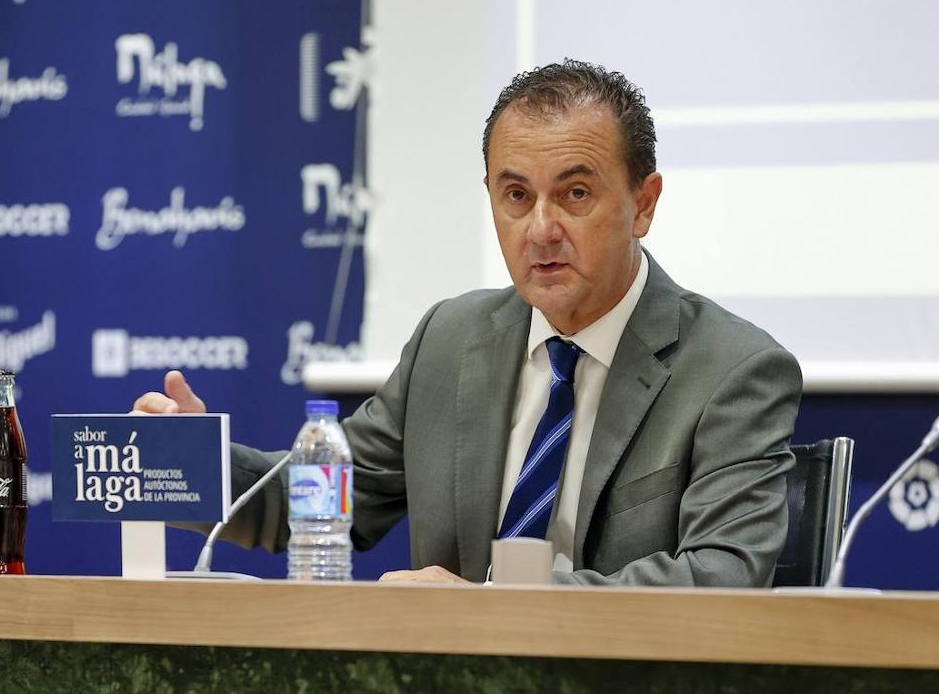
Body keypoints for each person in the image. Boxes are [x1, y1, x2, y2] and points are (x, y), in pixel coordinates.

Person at [133, 60, 802, 586]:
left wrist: (491, 605)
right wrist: (191, 464)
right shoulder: (450, 342)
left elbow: (721, 577)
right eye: (516, 195)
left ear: (643, 203)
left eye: (575, 193)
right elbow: (323, 502)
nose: (541, 229)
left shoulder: (731, 370)